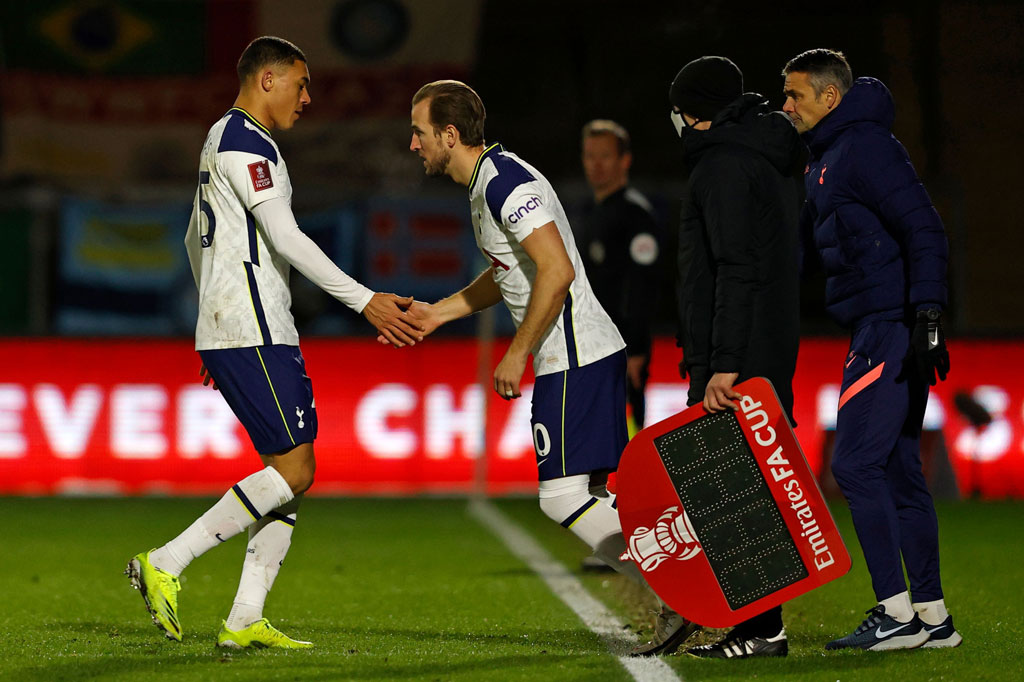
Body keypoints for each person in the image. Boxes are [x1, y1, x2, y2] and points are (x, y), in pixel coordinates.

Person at [125, 36, 423, 649]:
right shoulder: (246, 145)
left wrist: (214, 317)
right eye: (300, 83)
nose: (307, 97)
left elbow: (191, 240)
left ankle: (243, 619)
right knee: (296, 468)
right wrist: (363, 299)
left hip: (244, 326)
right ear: (266, 79)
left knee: (290, 472)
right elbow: (286, 239)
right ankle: (167, 562)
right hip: (253, 328)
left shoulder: (219, 139)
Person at [403, 80, 698, 656]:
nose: (413, 144)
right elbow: (509, 271)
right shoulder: (490, 180)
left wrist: (517, 351)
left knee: (561, 497)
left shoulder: (506, 183)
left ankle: (679, 591)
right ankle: (688, 571)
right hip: (581, 354)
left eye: (418, 132)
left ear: (449, 134)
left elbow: (556, 270)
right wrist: (440, 312)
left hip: (575, 357)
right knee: (588, 494)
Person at [781, 48, 958, 651]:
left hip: (890, 325)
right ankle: (932, 617)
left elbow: (923, 226)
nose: (787, 106)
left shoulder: (865, 148)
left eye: (795, 95)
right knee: (900, 471)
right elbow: (810, 254)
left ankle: (896, 614)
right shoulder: (827, 159)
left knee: (854, 464)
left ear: (829, 97)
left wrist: (928, 311)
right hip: (879, 324)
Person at [669, 56, 802, 658]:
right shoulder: (761, 154)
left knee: (735, 493)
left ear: (694, 111)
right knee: (743, 489)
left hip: (740, 356)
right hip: (765, 342)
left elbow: (733, 268)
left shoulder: (722, 164)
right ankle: (756, 624)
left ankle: (760, 629)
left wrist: (721, 362)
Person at [578, 120, 664, 437]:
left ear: (624, 160)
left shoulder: (635, 215)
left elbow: (643, 285)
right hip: (590, 348)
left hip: (622, 351)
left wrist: (636, 349)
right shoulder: (589, 214)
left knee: (623, 440)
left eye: (605, 156)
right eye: (590, 156)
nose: (596, 165)